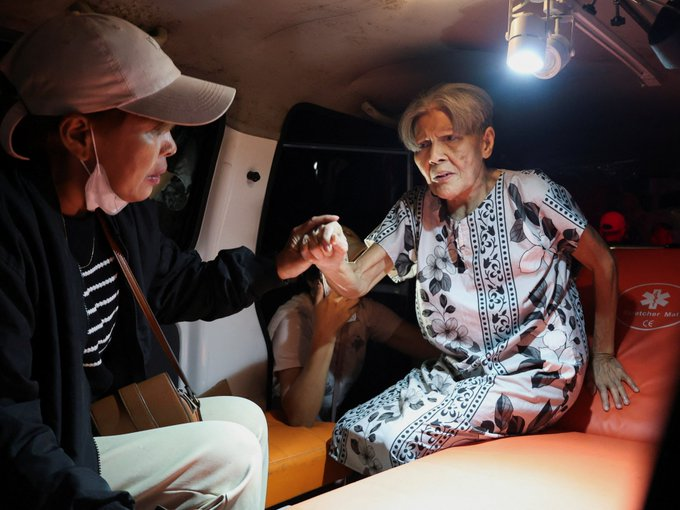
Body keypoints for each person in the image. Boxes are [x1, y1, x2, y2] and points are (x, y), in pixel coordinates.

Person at [0, 13, 334, 510]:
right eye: (156, 128)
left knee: (245, 420)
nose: (173, 146)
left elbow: (181, 284)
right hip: (53, 450)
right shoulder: (13, 233)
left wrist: (280, 265)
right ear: (78, 136)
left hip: (96, 424)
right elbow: (10, 420)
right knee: (232, 453)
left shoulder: (119, 216)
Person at [298, 83, 639, 475]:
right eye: (423, 145)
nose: (434, 157)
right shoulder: (415, 210)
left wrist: (603, 354)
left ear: (485, 142)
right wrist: (330, 259)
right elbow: (356, 281)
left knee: (400, 443)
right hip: (459, 369)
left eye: (450, 139)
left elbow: (603, 262)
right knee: (351, 430)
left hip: (537, 372)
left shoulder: (530, 192)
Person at [269, 226, 438, 426]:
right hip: (284, 431)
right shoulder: (293, 318)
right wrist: (326, 333)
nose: (349, 284)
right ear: (315, 281)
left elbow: (425, 347)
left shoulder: (363, 311)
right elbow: (299, 418)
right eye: (338, 271)